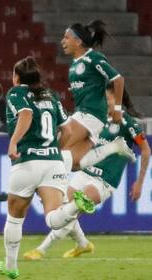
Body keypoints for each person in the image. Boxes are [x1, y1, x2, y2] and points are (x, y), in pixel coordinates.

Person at [0, 57, 96, 280]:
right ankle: (75, 206)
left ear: (17, 77)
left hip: (27, 161)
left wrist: (13, 142)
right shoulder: (51, 96)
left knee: (15, 217)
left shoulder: (16, 92)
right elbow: (68, 132)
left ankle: (11, 266)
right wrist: (52, 151)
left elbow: (26, 115)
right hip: (54, 162)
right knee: (54, 217)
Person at [24, 84, 150, 260]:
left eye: (108, 99)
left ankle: (41, 250)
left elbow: (145, 150)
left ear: (118, 100)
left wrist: (140, 182)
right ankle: (83, 244)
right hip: (85, 173)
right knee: (65, 210)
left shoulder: (127, 123)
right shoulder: (96, 121)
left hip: (104, 181)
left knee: (74, 208)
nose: (104, 103)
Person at [59, 20, 134, 171]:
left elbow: (118, 79)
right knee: (74, 164)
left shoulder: (92, 58)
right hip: (92, 117)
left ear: (78, 41)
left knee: (59, 148)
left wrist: (117, 109)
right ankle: (114, 147)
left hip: (90, 114)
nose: (62, 41)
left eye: (66, 38)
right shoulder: (74, 65)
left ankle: (53, 191)